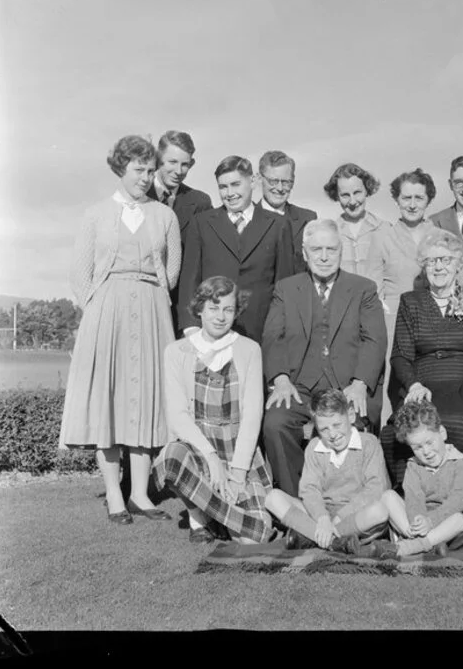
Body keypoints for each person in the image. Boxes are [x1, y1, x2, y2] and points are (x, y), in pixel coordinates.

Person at [59, 135, 181, 524]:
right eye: (138, 170)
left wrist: (149, 298)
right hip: (106, 313)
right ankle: (115, 494)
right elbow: (80, 276)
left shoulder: (165, 215)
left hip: (151, 310)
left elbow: (172, 271)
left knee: (145, 398)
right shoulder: (95, 214)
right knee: (109, 402)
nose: (145, 177)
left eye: (150, 170)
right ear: (120, 169)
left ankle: (141, 495)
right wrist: (102, 308)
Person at [262, 219, 387, 496]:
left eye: (331, 249)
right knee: (275, 423)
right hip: (300, 387)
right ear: (304, 253)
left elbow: (374, 340)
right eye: (316, 249)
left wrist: (359, 384)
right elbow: (273, 338)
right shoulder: (286, 289)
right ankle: (298, 501)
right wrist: (281, 379)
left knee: (357, 422)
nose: (324, 256)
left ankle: (351, 504)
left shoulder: (363, 288)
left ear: (341, 251)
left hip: (347, 386)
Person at [152, 276, 274, 544]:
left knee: (254, 539)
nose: (220, 316)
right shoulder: (176, 351)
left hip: (238, 451)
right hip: (200, 449)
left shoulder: (249, 349)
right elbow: (178, 417)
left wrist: (238, 473)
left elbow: (253, 415)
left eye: (228, 309)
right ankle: (199, 516)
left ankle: (219, 516)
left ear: (236, 311)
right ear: (200, 309)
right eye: (213, 308)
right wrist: (211, 459)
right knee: (171, 457)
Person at [380, 228, 463, 487]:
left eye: (446, 259)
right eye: (432, 261)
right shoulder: (411, 301)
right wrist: (413, 384)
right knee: (397, 433)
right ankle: (413, 497)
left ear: (458, 265)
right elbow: (400, 355)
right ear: (424, 267)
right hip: (424, 385)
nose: (439, 266)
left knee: (455, 423)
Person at [178, 155, 295, 343]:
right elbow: (189, 281)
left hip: (263, 335)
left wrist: (279, 333)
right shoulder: (202, 223)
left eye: (235, 184)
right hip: (211, 333)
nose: (229, 193)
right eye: (223, 187)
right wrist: (191, 329)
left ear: (253, 181)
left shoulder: (278, 225)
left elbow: (285, 285)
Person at [265, 389, 390, 555]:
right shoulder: (314, 447)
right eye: (324, 429)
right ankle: (335, 542)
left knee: (379, 511)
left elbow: (375, 489)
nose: (332, 434)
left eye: (337, 425)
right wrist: (322, 518)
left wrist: (339, 518)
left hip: (354, 515)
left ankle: (312, 536)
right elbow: (309, 490)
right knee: (273, 498)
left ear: (351, 415)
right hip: (322, 514)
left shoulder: (369, 443)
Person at [365, 168, 436, 415]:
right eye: (406, 198)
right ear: (396, 199)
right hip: (393, 324)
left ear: (429, 200)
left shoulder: (440, 236)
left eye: (419, 198)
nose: (412, 204)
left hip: (433, 322)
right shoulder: (382, 237)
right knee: (394, 390)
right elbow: (373, 289)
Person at [376, 401, 463, 558]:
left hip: (450, 525)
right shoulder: (413, 466)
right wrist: (418, 521)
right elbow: (414, 499)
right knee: (388, 496)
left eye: (429, 442)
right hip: (421, 525)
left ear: (442, 433)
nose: (427, 452)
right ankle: (425, 543)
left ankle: (411, 546)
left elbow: (455, 504)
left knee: (459, 520)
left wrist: (429, 522)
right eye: (418, 447)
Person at [147, 131, 213, 328]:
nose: (179, 170)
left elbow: (199, 265)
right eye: (172, 162)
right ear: (158, 159)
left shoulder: (200, 203)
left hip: (180, 312)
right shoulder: (138, 195)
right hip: (143, 303)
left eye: (185, 164)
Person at [323, 162, 389, 277]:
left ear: (367, 190)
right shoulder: (330, 233)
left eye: (357, 193)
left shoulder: (385, 229)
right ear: (336, 196)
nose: (352, 201)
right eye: (345, 195)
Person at [258, 150, 317, 274]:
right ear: (259, 178)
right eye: (273, 181)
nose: (279, 188)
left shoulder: (308, 220)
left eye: (285, 182)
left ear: (293, 181)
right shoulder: (247, 220)